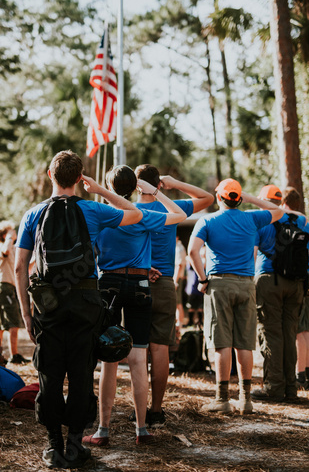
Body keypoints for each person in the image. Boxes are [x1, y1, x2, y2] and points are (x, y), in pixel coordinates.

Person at [14, 150, 143, 469]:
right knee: (82, 371)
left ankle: (53, 447)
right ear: (79, 178)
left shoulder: (33, 214)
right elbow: (135, 213)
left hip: (49, 304)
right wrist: (99, 190)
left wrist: (27, 314)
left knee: (50, 373)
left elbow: (20, 267)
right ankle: (75, 445)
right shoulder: (93, 209)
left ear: (49, 175)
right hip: (86, 302)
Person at [83, 165, 186, 447]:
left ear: (108, 185)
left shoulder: (100, 214)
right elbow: (181, 215)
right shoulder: (143, 215)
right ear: (134, 188)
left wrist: (99, 191)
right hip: (140, 284)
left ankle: (103, 431)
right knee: (139, 358)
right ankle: (142, 430)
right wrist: (155, 193)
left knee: (109, 360)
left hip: (109, 286)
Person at [188, 179, 283, 415]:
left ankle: (222, 399)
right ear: (238, 199)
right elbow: (278, 211)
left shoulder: (207, 220)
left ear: (219, 197)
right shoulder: (251, 218)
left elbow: (192, 251)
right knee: (244, 343)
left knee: (222, 342)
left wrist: (202, 279)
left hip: (219, 284)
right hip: (246, 285)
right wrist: (249, 198)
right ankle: (246, 399)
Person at [135, 165, 214, 426]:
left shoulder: (127, 210)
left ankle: (138, 412)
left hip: (136, 280)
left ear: (137, 185)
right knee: (160, 348)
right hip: (165, 283)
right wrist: (174, 183)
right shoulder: (172, 207)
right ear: (158, 184)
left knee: (137, 348)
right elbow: (208, 198)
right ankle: (156, 410)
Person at [252, 185, 309, 402]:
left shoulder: (262, 222)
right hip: (296, 283)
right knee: (289, 334)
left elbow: (253, 253)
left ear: (263, 201)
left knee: (270, 334)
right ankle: (290, 389)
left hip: (269, 280)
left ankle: (273, 388)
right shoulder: (300, 222)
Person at [0, 221, 29, 364]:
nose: (14, 233)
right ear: (4, 234)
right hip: (4, 287)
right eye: (10, 231)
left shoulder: (11, 248)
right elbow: (5, 251)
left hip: (10, 288)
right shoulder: (0, 247)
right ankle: (13, 355)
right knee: (12, 322)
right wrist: (9, 237)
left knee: (3, 323)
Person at [174, 236, 187, 328]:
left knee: (177, 302)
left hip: (177, 278)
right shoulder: (178, 247)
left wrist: (175, 281)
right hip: (178, 277)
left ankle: (179, 323)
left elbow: (179, 265)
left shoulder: (179, 248)